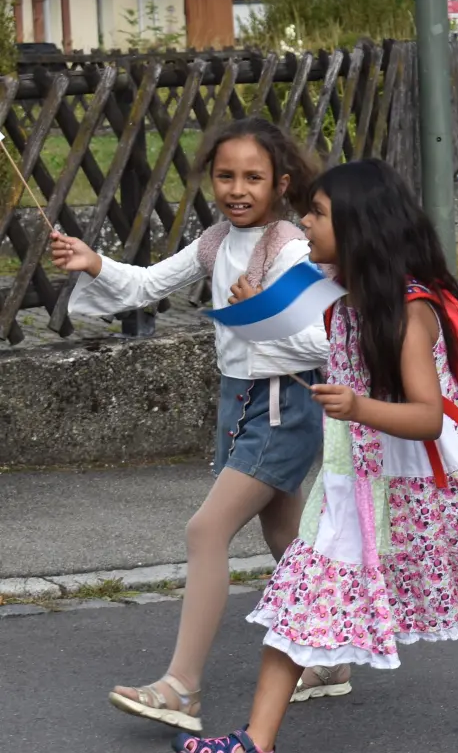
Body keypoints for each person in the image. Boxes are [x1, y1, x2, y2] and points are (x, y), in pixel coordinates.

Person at [174, 159, 458, 753]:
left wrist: (356, 406)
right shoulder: (346, 298)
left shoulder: (410, 311)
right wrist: (260, 309)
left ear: (360, 227)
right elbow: (313, 349)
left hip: (442, 484)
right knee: (300, 598)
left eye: (318, 213)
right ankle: (256, 741)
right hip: (357, 483)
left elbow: (426, 417)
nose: (304, 222)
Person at [50, 120, 328, 736]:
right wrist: (94, 262)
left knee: (205, 531)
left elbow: (320, 342)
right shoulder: (215, 240)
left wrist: (263, 306)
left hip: (283, 407)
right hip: (240, 404)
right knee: (286, 537)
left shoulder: (291, 247)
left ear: (280, 183)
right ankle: (325, 655)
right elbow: (149, 284)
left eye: (252, 177)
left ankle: (181, 688)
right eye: (225, 176)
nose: (237, 188)